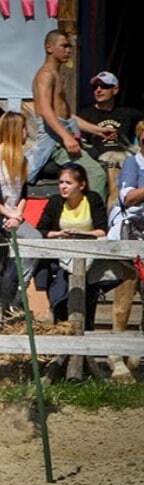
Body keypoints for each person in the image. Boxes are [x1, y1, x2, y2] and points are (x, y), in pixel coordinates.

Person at [0, 111, 43, 332]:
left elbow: (23, 193)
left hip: (13, 217)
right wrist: (6, 213)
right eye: (24, 128)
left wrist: (18, 215)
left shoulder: (22, 159)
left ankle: (15, 295)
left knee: (34, 240)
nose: (26, 133)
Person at [27, 29, 113, 199]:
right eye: (64, 46)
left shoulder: (58, 75)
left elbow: (68, 116)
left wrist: (98, 130)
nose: (68, 50)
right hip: (54, 142)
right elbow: (45, 110)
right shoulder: (45, 75)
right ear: (49, 48)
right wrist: (66, 137)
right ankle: (94, 218)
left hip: (63, 134)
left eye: (69, 46)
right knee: (97, 175)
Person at [35, 163, 108, 329]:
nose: (63, 187)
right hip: (61, 256)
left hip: (89, 256)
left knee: (87, 303)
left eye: (68, 183)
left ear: (81, 185)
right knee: (60, 295)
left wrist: (83, 234)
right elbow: (42, 230)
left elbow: (102, 230)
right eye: (61, 182)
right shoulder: (55, 202)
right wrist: (59, 234)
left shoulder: (93, 199)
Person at [106, 120, 144, 378]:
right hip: (135, 234)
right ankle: (116, 353)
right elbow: (127, 197)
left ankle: (136, 353)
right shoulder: (134, 164)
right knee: (126, 294)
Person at [78, 71, 143, 207]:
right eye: (95, 87)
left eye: (104, 86)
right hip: (99, 158)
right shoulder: (85, 114)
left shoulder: (128, 113)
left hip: (124, 156)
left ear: (115, 90)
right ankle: (111, 210)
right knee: (112, 163)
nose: (98, 90)